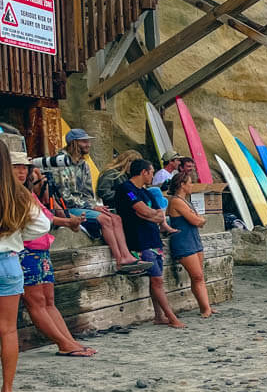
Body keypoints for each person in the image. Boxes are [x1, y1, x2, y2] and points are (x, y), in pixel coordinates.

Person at [12, 151, 96, 359]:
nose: (22, 171)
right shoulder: (12, 194)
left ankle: (68, 340)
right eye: (16, 167)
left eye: (25, 167)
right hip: (25, 250)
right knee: (37, 301)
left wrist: (69, 222)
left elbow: (47, 216)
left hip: (40, 249)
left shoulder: (26, 193)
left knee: (48, 300)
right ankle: (64, 342)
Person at [54, 129, 147, 273]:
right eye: (84, 141)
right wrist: (92, 206)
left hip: (86, 205)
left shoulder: (84, 164)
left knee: (116, 218)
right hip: (69, 207)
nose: (88, 144)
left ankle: (126, 255)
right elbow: (65, 196)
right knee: (106, 219)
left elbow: (88, 192)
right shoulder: (60, 162)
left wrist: (93, 205)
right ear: (74, 143)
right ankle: (119, 260)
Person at [0, 143, 51, 392]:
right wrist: (18, 236)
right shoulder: (16, 193)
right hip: (8, 261)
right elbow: (43, 224)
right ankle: (7, 391)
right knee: (8, 330)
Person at [116, 160, 184, 328]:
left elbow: (159, 215)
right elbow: (143, 210)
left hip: (153, 238)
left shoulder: (145, 192)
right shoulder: (127, 189)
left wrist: (149, 215)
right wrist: (148, 215)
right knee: (157, 280)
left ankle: (159, 315)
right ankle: (171, 317)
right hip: (139, 240)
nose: (153, 175)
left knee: (156, 279)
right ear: (144, 172)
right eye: (152, 171)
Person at [165, 172, 214, 317]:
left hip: (193, 239)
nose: (192, 185)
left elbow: (197, 219)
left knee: (199, 277)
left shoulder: (186, 201)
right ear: (182, 185)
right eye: (190, 183)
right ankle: (205, 308)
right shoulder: (176, 201)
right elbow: (197, 221)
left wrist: (199, 219)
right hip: (184, 241)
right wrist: (200, 219)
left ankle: (205, 306)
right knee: (197, 276)